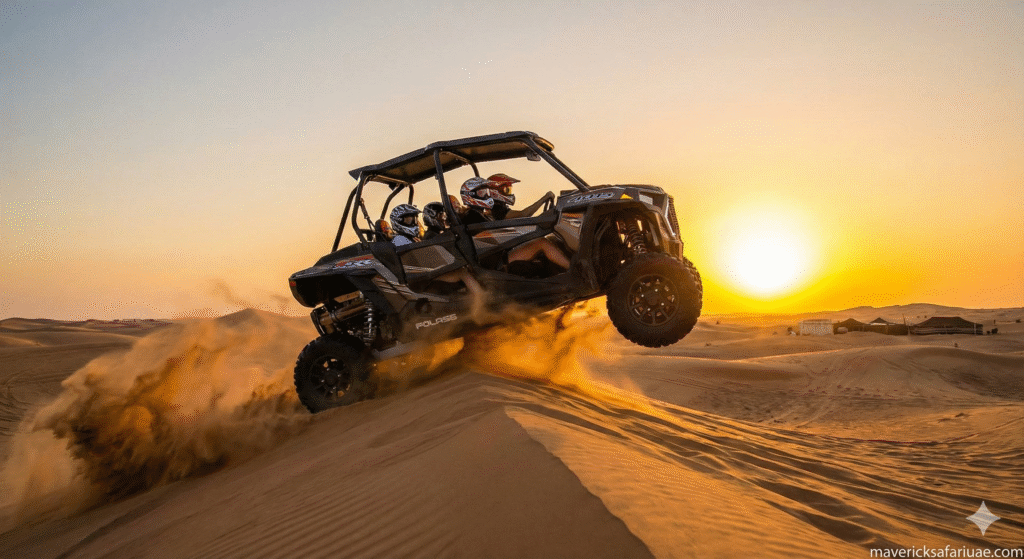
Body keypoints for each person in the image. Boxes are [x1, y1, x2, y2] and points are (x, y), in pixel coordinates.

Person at [390, 202, 487, 314]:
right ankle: (481, 303)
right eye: (408, 219)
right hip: (420, 277)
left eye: (414, 219)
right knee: (463, 272)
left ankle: (471, 304)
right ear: (398, 221)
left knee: (463, 270)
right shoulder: (400, 240)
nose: (413, 222)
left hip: (424, 273)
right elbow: (416, 259)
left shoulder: (409, 238)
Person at [459, 176, 570, 271]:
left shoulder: (479, 214)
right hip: (497, 262)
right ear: (471, 195)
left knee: (547, 240)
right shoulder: (472, 216)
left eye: (487, 192)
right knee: (542, 243)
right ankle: (574, 271)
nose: (487, 196)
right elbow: (495, 235)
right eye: (482, 193)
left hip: (499, 255)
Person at [486, 173, 555, 220]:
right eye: (507, 190)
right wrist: (545, 198)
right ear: (496, 191)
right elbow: (524, 214)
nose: (510, 193)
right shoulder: (496, 209)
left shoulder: (496, 207)